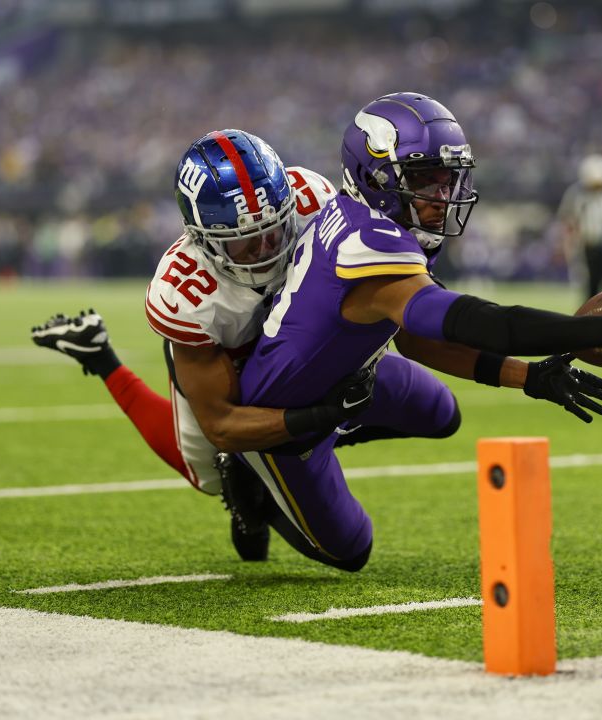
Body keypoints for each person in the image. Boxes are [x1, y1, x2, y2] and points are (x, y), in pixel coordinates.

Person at [231, 92, 602, 573]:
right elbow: (481, 322)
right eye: (424, 179)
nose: (442, 195)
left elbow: (416, 338)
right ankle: (256, 476)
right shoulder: (367, 246)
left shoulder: (372, 219)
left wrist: (529, 379)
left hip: (344, 373)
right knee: (352, 550)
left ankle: (332, 424)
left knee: (440, 413)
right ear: (376, 178)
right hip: (281, 415)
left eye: (447, 177)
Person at [32, 129, 370, 562]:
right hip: (222, 353)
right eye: (245, 242)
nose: (266, 250)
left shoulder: (312, 197)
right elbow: (221, 425)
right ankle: (103, 357)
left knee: (423, 410)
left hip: (291, 342)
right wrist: (318, 416)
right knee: (209, 474)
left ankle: (264, 471)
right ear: (202, 237)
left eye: (274, 230)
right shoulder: (187, 293)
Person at [557, 153, 602, 299]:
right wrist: (569, 244)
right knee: (588, 283)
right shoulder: (578, 195)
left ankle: (599, 311)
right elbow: (570, 222)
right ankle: (589, 313)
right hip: (586, 245)